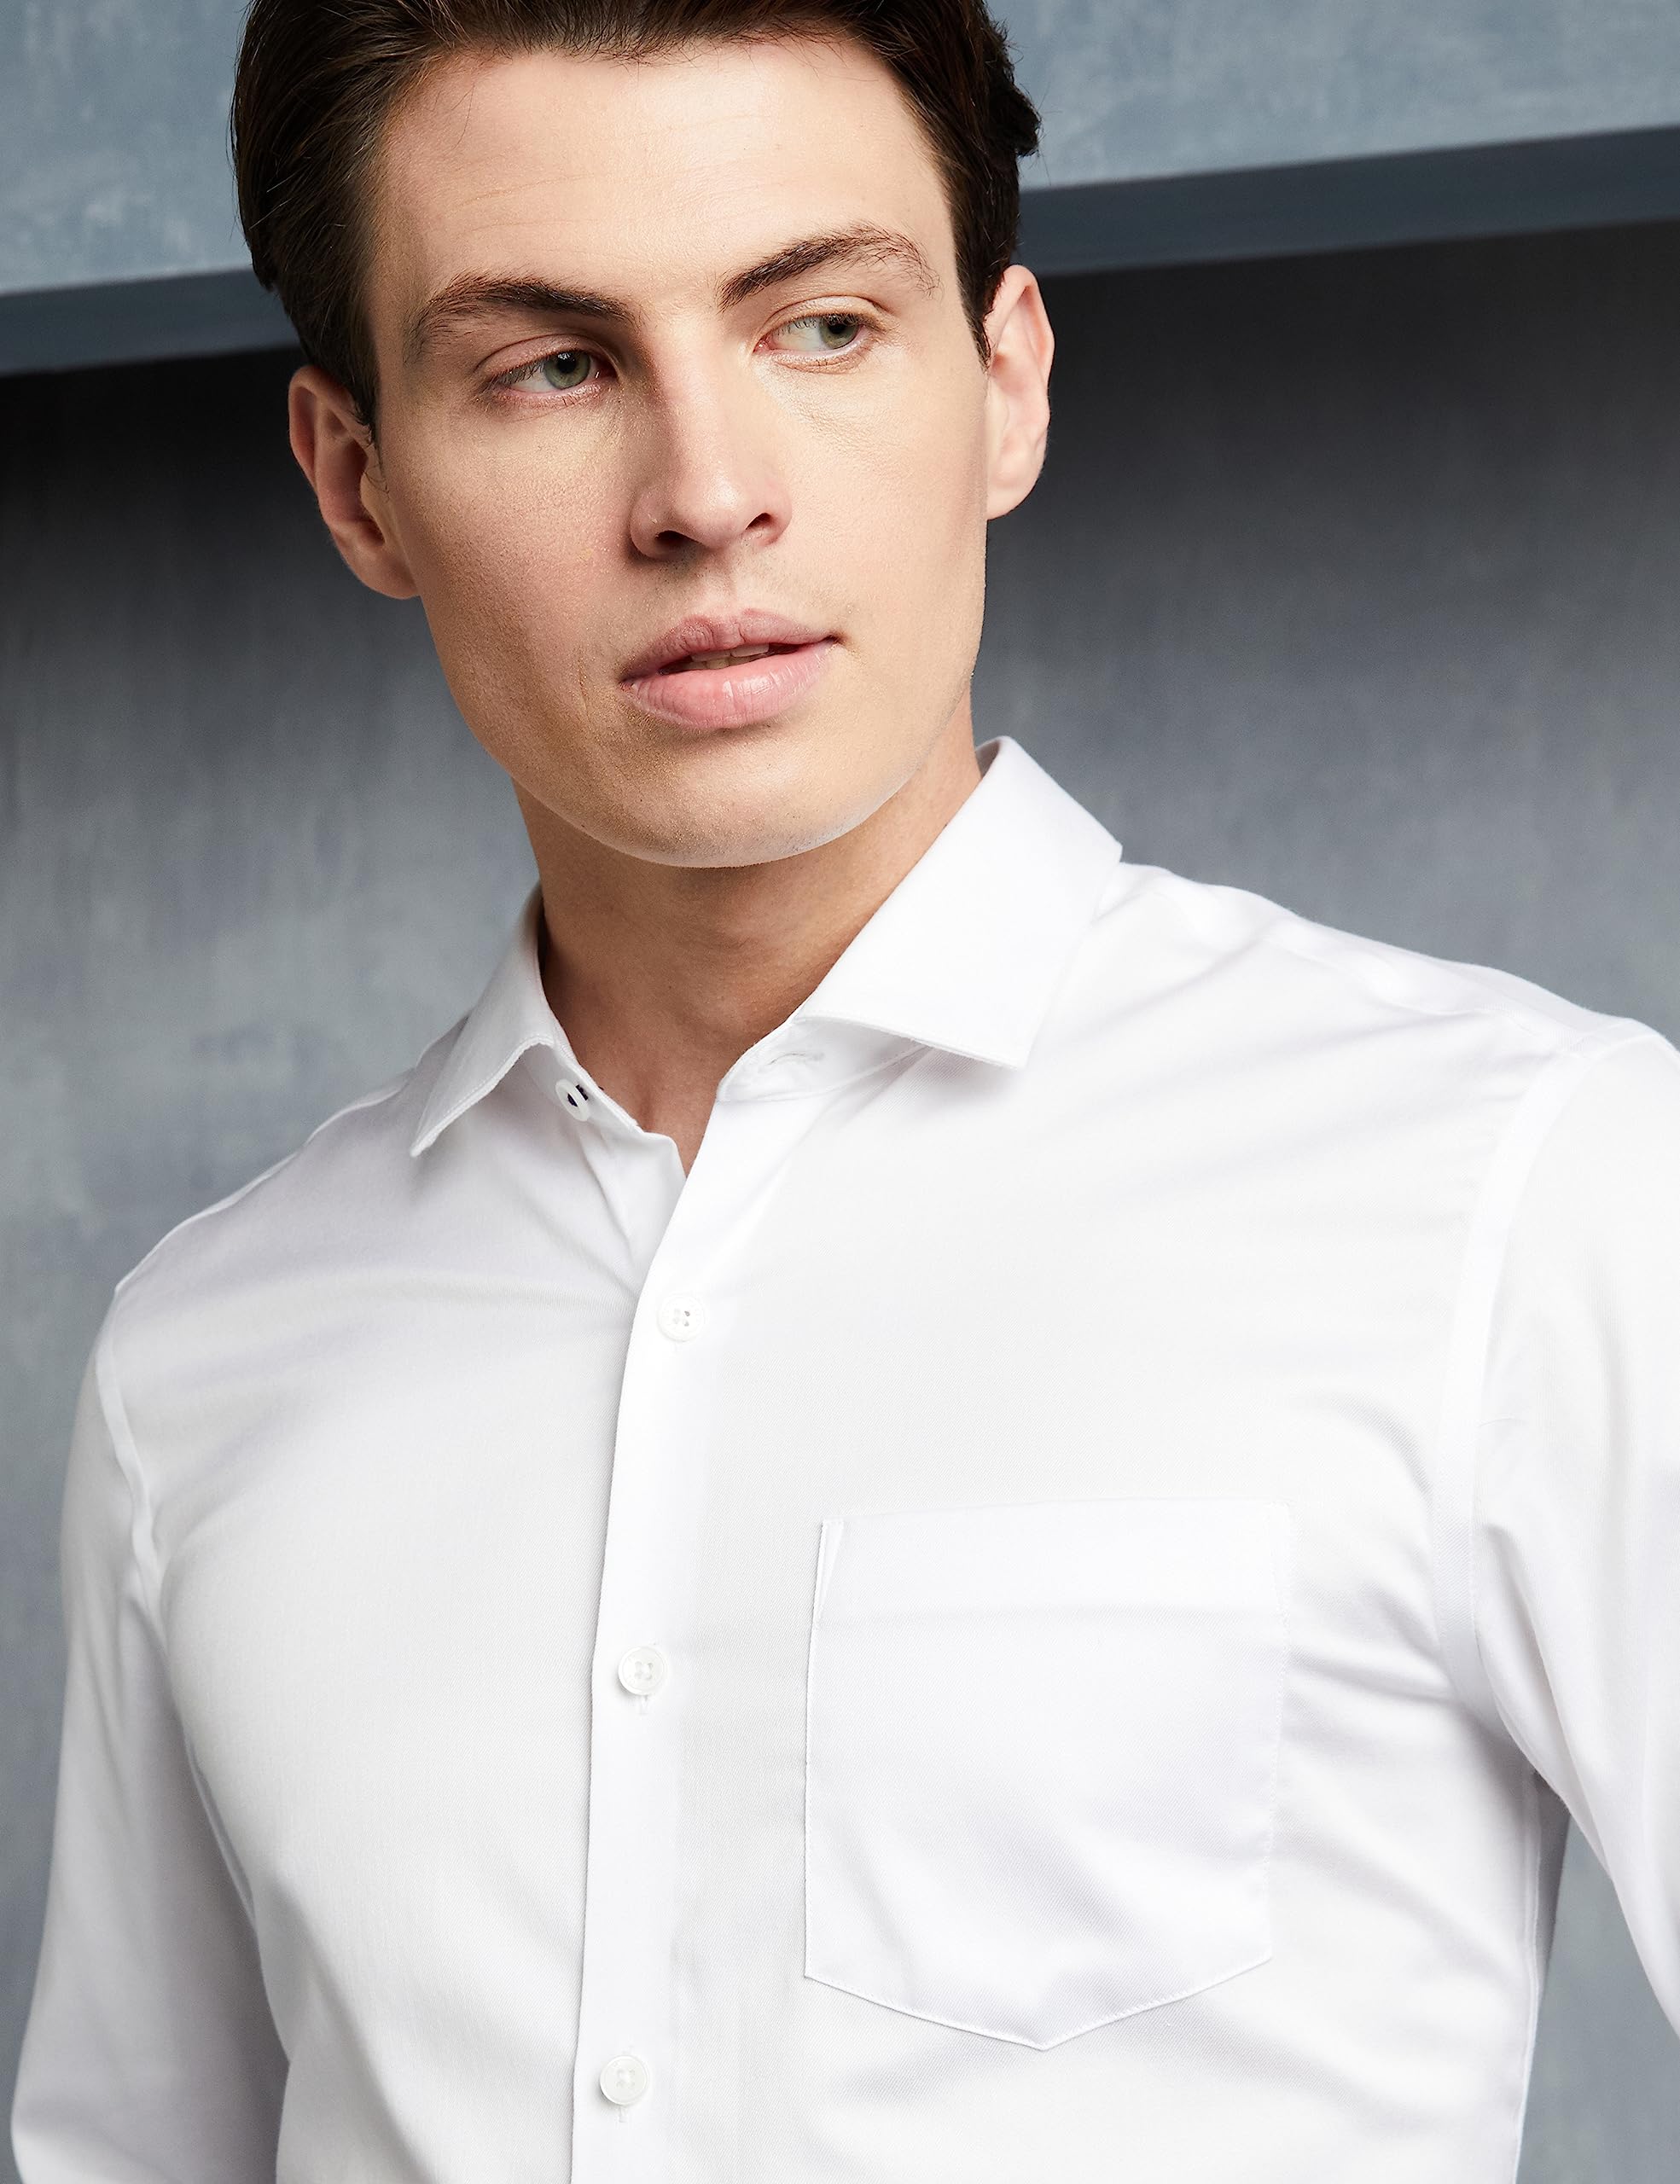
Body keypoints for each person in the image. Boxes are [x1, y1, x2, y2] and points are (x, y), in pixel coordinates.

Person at [12, 0, 1679, 2177]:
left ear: (1005, 381)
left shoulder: (1526, 1190)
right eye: (552, 366)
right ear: (358, 481)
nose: (708, 495)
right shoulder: (201, 1365)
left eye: (817, 325)